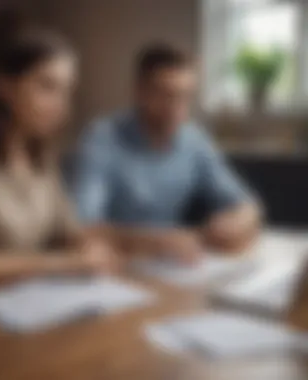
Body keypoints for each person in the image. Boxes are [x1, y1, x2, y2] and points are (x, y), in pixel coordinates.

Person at [0, 24, 117, 282]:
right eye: (47, 87)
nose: (61, 106)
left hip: (34, 303)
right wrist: (58, 264)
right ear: (5, 87)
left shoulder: (41, 158)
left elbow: (68, 228)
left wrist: (85, 245)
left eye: (67, 91)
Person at [72, 44, 261, 262]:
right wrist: (152, 241)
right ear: (139, 91)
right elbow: (83, 226)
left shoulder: (194, 139)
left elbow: (245, 203)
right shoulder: (101, 138)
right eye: (167, 95)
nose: (178, 108)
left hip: (174, 265)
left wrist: (240, 220)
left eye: (185, 96)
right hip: (117, 266)